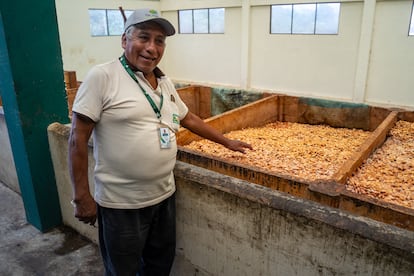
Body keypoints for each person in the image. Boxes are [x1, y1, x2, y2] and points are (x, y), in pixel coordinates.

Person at [68, 8, 252, 276]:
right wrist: (81, 196)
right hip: (122, 204)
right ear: (124, 40)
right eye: (144, 38)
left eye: (160, 41)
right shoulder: (103, 77)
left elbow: (190, 119)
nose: (152, 48)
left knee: (158, 265)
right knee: (123, 270)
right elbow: (77, 138)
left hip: (164, 197)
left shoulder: (164, 82)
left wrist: (227, 143)